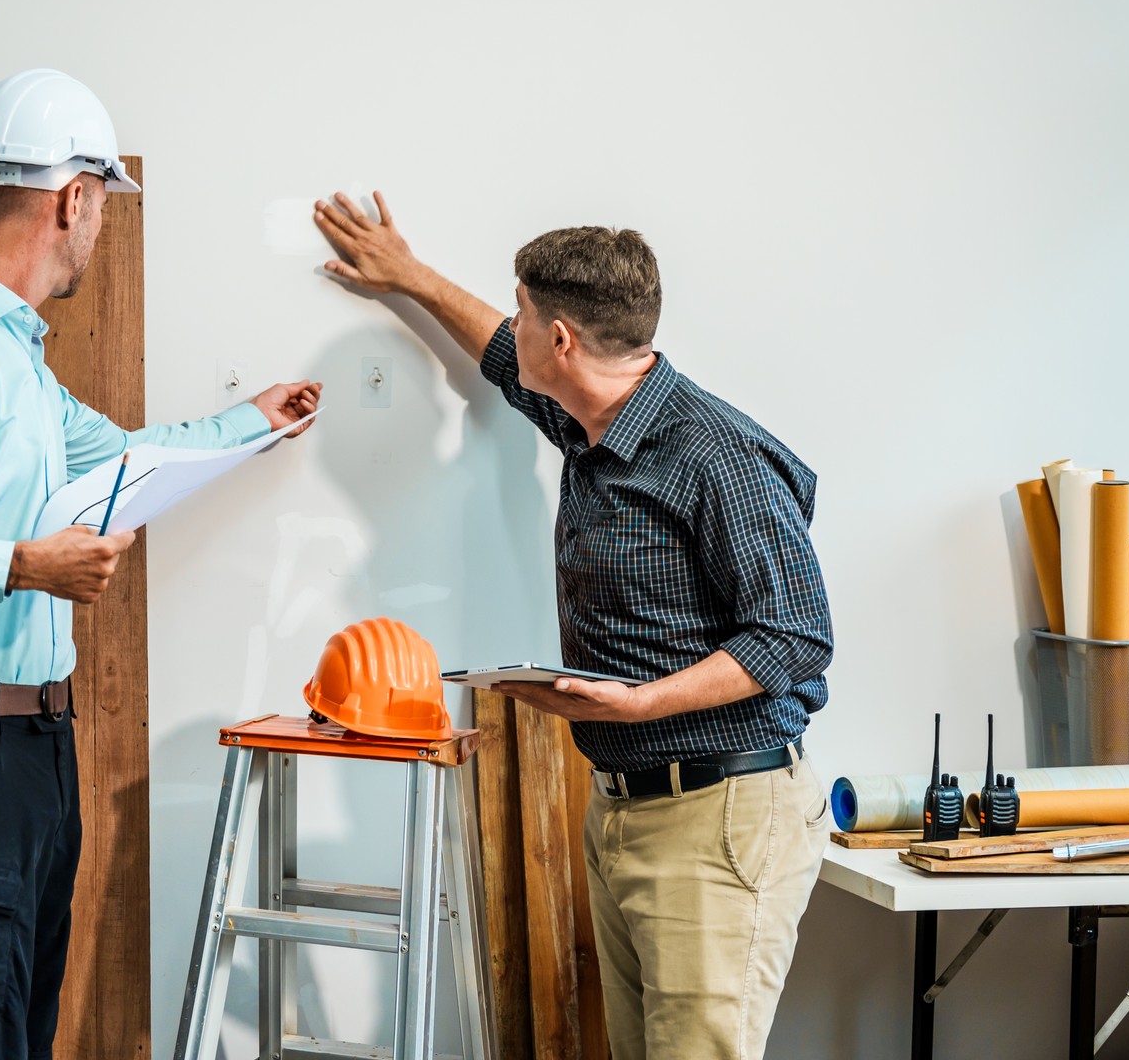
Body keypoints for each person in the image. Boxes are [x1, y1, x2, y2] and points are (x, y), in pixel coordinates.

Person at [0, 68, 321, 1060]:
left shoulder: (18, 366)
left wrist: (252, 422)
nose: (99, 230)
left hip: (29, 758)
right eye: (99, 207)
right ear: (72, 198)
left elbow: (130, 455)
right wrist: (20, 565)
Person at [313, 191, 831, 1060]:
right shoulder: (594, 425)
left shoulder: (714, 455)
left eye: (522, 311)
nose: (512, 327)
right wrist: (408, 277)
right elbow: (499, 357)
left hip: (721, 815)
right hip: (626, 808)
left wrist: (639, 705)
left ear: (561, 338)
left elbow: (794, 636)